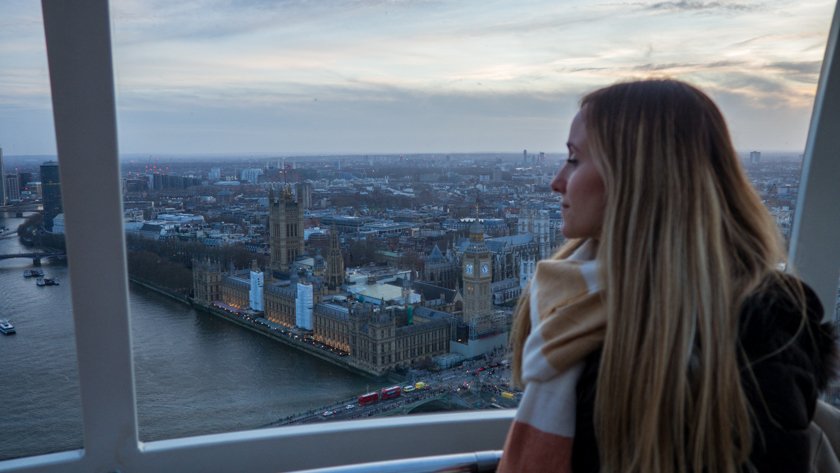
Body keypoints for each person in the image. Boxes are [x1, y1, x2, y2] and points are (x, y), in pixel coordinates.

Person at [497, 79, 837, 473]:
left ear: (633, 177)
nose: (556, 182)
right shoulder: (572, 293)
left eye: (574, 159)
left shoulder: (758, 333)